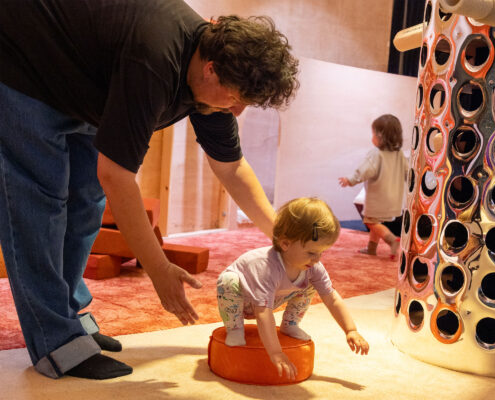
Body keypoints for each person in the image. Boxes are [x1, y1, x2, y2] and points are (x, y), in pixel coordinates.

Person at [0, 0, 299, 380]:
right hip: (22, 65)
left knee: (85, 203)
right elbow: (117, 176)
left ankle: (68, 313)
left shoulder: (210, 74)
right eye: (237, 99)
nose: (236, 111)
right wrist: (158, 269)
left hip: (84, 76)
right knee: (39, 206)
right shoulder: (155, 61)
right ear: (211, 70)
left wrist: (282, 236)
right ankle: (55, 339)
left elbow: (232, 166)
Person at [217, 197, 370, 380]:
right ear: (285, 244)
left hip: (269, 299)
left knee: (311, 285)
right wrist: (275, 352)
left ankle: (290, 324)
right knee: (227, 281)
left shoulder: (312, 267)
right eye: (312, 252)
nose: (317, 259)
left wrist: (350, 330)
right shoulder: (266, 267)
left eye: (322, 252)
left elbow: (332, 298)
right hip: (243, 299)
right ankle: (234, 328)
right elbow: (263, 313)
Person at [338, 114, 407, 259]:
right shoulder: (399, 154)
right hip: (394, 200)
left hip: (378, 198)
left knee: (370, 221)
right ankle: (371, 248)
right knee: (376, 221)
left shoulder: (376, 154)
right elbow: (407, 173)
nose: (372, 137)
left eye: (374, 134)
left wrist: (350, 180)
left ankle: (391, 240)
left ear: (381, 136)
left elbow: (364, 171)